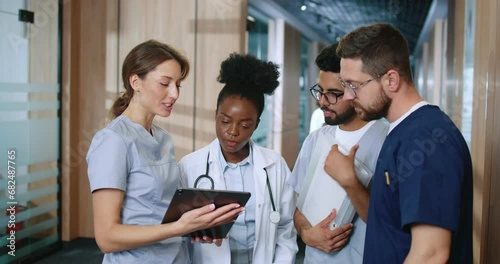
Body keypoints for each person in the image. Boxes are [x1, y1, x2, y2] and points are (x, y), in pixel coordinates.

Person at [86, 40, 244, 263]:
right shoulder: (112, 141)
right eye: (165, 83)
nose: (174, 94)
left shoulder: (163, 138)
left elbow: (164, 209)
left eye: (178, 84)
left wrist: (200, 226)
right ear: (135, 82)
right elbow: (107, 237)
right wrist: (178, 228)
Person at [335, 23, 473, 263]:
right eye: (345, 86)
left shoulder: (426, 139)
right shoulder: (403, 131)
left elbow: (430, 254)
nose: (347, 96)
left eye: (353, 85)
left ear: (391, 80)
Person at [178, 53, 298, 263]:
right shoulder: (190, 167)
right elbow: (178, 233)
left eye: (245, 125)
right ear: (216, 115)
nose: (233, 132)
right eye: (225, 121)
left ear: (257, 124)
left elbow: (285, 227)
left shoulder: (274, 165)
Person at [289, 43, 389, 263]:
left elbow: (388, 223)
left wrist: (351, 182)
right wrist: (306, 234)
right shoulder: (316, 140)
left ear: (356, 89)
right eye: (320, 92)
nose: (322, 101)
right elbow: (299, 208)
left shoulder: (387, 141)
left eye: (334, 94)